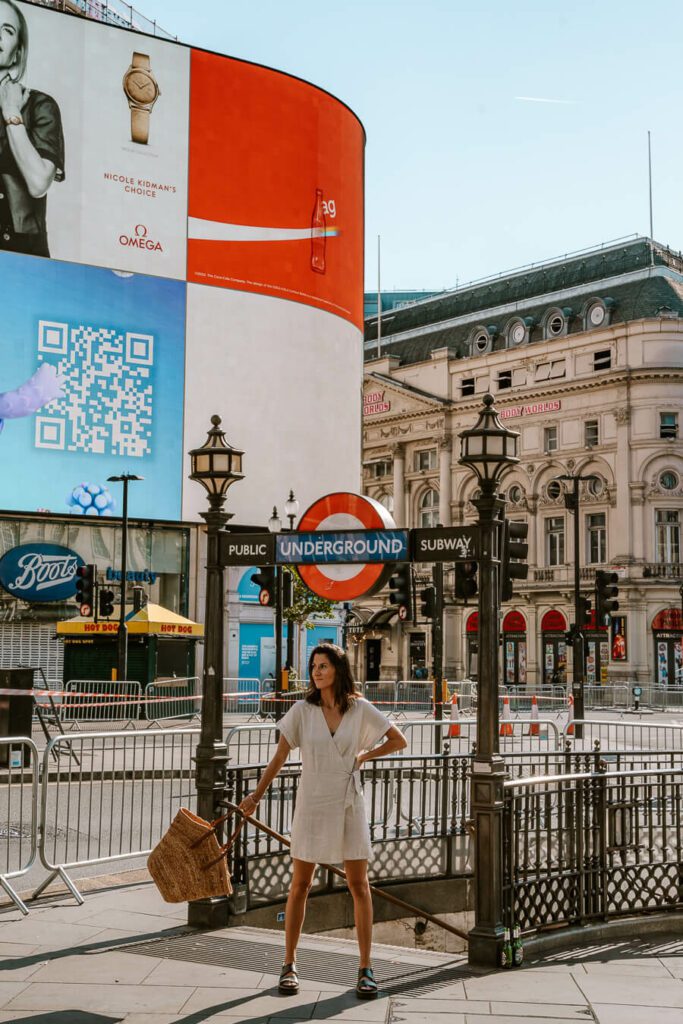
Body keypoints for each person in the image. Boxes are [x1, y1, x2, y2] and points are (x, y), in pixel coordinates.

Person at [239, 642, 407, 1000]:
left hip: (349, 803)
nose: (316, 672)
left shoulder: (359, 708)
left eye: (323, 666)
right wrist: (256, 795)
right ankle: (289, 963)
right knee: (300, 884)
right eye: (314, 666)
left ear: (338, 670)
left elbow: (398, 740)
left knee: (359, 886)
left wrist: (365, 755)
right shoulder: (302, 710)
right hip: (313, 803)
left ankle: (365, 968)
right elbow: (280, 756)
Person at [0, 0, 65, 257]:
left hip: (19, 258)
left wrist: (11, 113)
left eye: (7, 30)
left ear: (17, 52)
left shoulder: (40, 105)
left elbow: (39, 183)